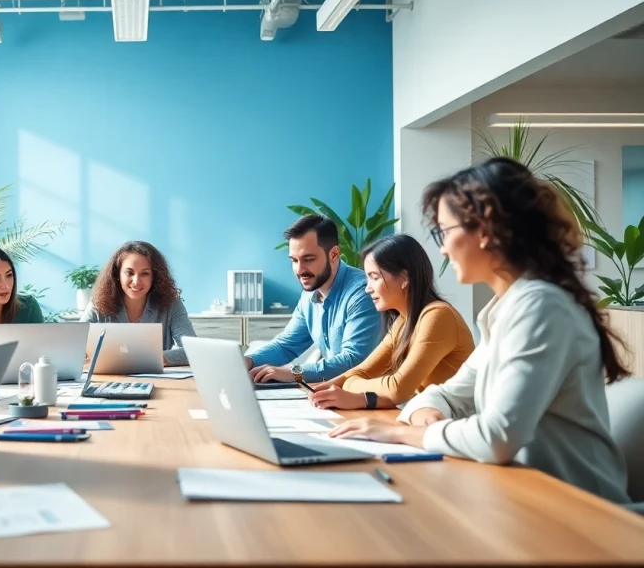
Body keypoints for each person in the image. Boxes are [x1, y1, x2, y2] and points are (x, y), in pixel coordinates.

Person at [330, 157, 631, 504]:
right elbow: (444, 395)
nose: (442, 248)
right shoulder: (503, 310)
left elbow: (497, 437)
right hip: (521, 496)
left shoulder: (541, 307)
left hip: (581, 511)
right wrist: (425, 414)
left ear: (485, 230)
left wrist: (401, 433)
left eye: (444, 232)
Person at [309, 234, 474, 410]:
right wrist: (329, 387)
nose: (367, 288)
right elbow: (363, 370)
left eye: (374, 277)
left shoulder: (438, 316)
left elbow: (398, 389)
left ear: (403, 278)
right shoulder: (404, 321)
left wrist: (352, 387)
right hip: (430, 416)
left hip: (455, 426)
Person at [247, 215, 381, 384]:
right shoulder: (309, 296)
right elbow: (286, 346)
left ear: (333, 254)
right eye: (294, 261)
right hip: (334, 394)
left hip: (370, 399)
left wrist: (293, 372)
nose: (300, 269)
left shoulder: (362, 293)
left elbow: (353, 360)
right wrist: (248, 361)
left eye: (308, 259)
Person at [80, 241, 195, 367]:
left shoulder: (172, 305)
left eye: (145, 273)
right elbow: (74, 345)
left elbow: (192, 351)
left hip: (155, 381)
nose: (136, 281)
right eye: (129, 273)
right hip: (107, 381)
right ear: (117, 274)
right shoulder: (98, 303)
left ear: (154, 277)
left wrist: (146, 359)